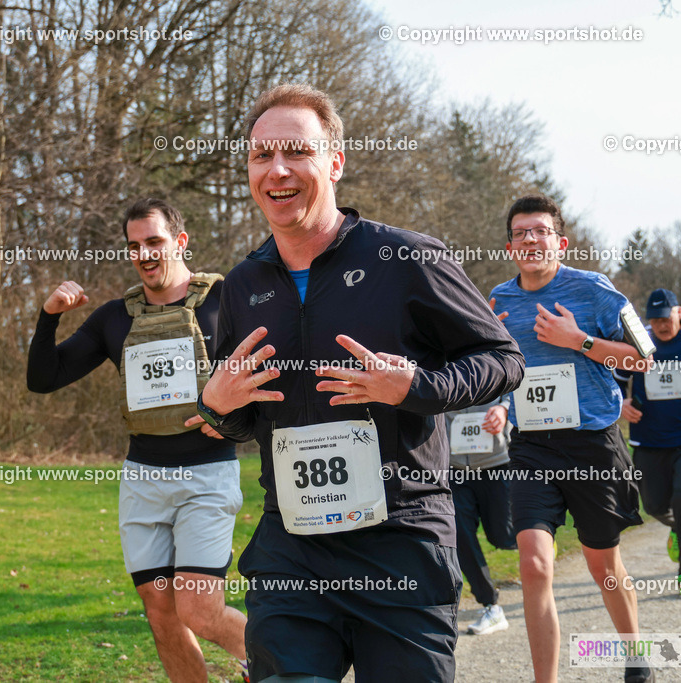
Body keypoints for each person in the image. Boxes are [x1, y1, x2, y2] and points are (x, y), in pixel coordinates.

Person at [191, 84, 524, 683]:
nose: (278, 170)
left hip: (400, 545)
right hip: (292, 553)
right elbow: (240, 412)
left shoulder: (406, 259)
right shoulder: (241, 285)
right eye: (261, 156)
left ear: (336, 162)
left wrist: (416, 386)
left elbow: (503, 359)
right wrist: (214, 405)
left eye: (297, 151)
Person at [26, 198, 247, 683]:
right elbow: (45, 378)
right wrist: (49, 316)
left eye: (154, 242)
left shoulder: (225, 300)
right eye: (134, 246)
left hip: (207, 475)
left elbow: (270, 373)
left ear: (180, 242)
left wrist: (236, 423)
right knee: (161, 612)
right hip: (144, 478)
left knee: (199, 609)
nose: (144, 254)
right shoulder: (114, 318)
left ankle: (282, 667)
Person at [489, 194, 655, 683]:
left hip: (591, 443)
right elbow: (485, 370)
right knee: (535, 562)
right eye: (521, 233)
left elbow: (642, 358)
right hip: (532, 446)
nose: (530, 240)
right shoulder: (497, 301)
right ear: (510, 246)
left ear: (559, 242)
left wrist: (577, 340)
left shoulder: (594, 291)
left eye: (540, 231)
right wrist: (489, 355)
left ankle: (634, 654)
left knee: (601, 560)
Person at [615, 288, 681, 598]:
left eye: (667, 318)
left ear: (679, 313)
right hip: (648, 438)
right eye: (655, 319)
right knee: (652, 504)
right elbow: (617, 380)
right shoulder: (639, 341)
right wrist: (622, 403)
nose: (662, 325)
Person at [444, 397, 516, 636]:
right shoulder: (437, 361)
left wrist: (505, 409)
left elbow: (518, 385)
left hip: (496, 463)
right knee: (459, 535)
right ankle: (491, 605)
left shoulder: (493, 359)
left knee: (503, 537)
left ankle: (541, 541)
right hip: (454, 468)